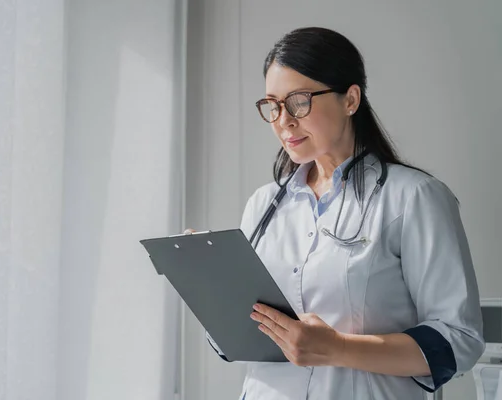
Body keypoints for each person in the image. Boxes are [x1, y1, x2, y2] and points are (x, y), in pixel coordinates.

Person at [200, 27, 485, 400]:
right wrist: (212, 290)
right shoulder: (263, 204)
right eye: (273, 104)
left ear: (350, 99)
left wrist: (338, 348)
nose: (283, 120)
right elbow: (235, 341)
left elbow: (458, 342)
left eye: (299, 101)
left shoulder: (413, 198)